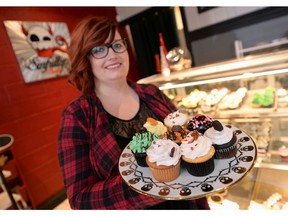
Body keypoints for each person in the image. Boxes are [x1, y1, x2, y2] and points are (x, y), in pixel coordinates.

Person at [57, 15, 210, 210]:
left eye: (117, 45)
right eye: (99, 49)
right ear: (85, 58)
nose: (112, 55)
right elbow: (80, 200)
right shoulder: (78, 116)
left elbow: (189, 152)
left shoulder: (152, 94)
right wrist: (149, 186)